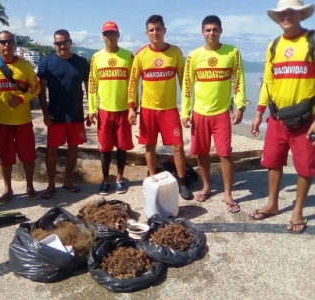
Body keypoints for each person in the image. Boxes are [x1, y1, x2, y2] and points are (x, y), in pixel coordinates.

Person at [249, 0, 315, 233]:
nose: (286, 16)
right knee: (273, 162)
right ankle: (273, 204)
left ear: (300, 14)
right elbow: (268, 82)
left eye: (291, 11)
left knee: (306, 167)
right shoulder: (274, 45)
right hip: (277, 117)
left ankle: (297, 212)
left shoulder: (311, 41)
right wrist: (258, 113)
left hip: (305, 119)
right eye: (282, 13)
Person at [181, 15, 247, 213]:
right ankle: (207, 186)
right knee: (202, 153)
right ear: (202, 32)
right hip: (200, 113)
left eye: (215, 29)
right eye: (208, 29)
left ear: (221, 31)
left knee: (225, 153)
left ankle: (228, 193)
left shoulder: (232, 52)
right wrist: (185, 112)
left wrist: (240, 106)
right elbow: (187, 86)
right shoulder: (193, 56)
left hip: (221, 113)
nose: (211, 33)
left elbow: (239, 81)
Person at [128, 15, 193, 200]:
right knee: (149, 146)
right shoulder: (140, 54)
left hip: (170, 109)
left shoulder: (175, 53)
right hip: (148, 110)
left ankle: (182, 182)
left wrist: (187, 109)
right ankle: (153, 179)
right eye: (151, 30)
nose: (155, 32)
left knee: (178, 147)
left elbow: (185, 83)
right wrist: (132, 107)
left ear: (164, 30)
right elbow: (132, 83)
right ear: (146, 33)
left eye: (158, 29)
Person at [0, 30, 41, 206]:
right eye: (3, 42)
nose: (7, 45)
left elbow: (36, 87)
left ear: (14, 45)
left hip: (23, 121)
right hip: (1, 122)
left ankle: (30, 186)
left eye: (10, 42)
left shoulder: (25, 65)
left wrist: (22, 99)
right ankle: (7, 189)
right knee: (4, 158)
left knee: (28, 156)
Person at [37, 29, 89, 199]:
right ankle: (51, 184)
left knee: (73, 149)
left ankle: (67, 181)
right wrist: (45, 113)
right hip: (55, 115)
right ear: (54, 44)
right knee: (52, 150)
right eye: (59, 43)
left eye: (65, 42)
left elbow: (90, 88)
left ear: (70, 42)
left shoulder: (81, 62)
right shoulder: (46, 62)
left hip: (76, 114)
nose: (62, 45)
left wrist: (91, 111)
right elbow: (40, 90)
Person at [88, 21, 134, 195]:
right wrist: (92, 110)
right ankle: (105, 179)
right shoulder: (96, 57)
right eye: (106, 34)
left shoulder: (128, 56)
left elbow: (133, 84)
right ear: (102, 36)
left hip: (123, 110)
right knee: (105, 148)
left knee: (122, 147)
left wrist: (132, 107)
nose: (109, 37)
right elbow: (92, 85)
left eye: (112, 33)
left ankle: (120, 178)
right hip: (104, 110)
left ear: (118, 35)